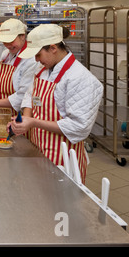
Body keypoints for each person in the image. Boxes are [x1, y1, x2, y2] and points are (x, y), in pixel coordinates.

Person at [9, 24, 103, 183]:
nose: (36, 60)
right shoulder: (42, 69)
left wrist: (33, 122)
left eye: (38, 54)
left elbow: (79, 127)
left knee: (60, 205)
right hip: (37, 150)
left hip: (62, 158)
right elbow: (29, 96)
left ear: (53, 48)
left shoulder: (80, 79)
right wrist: (23, 121)